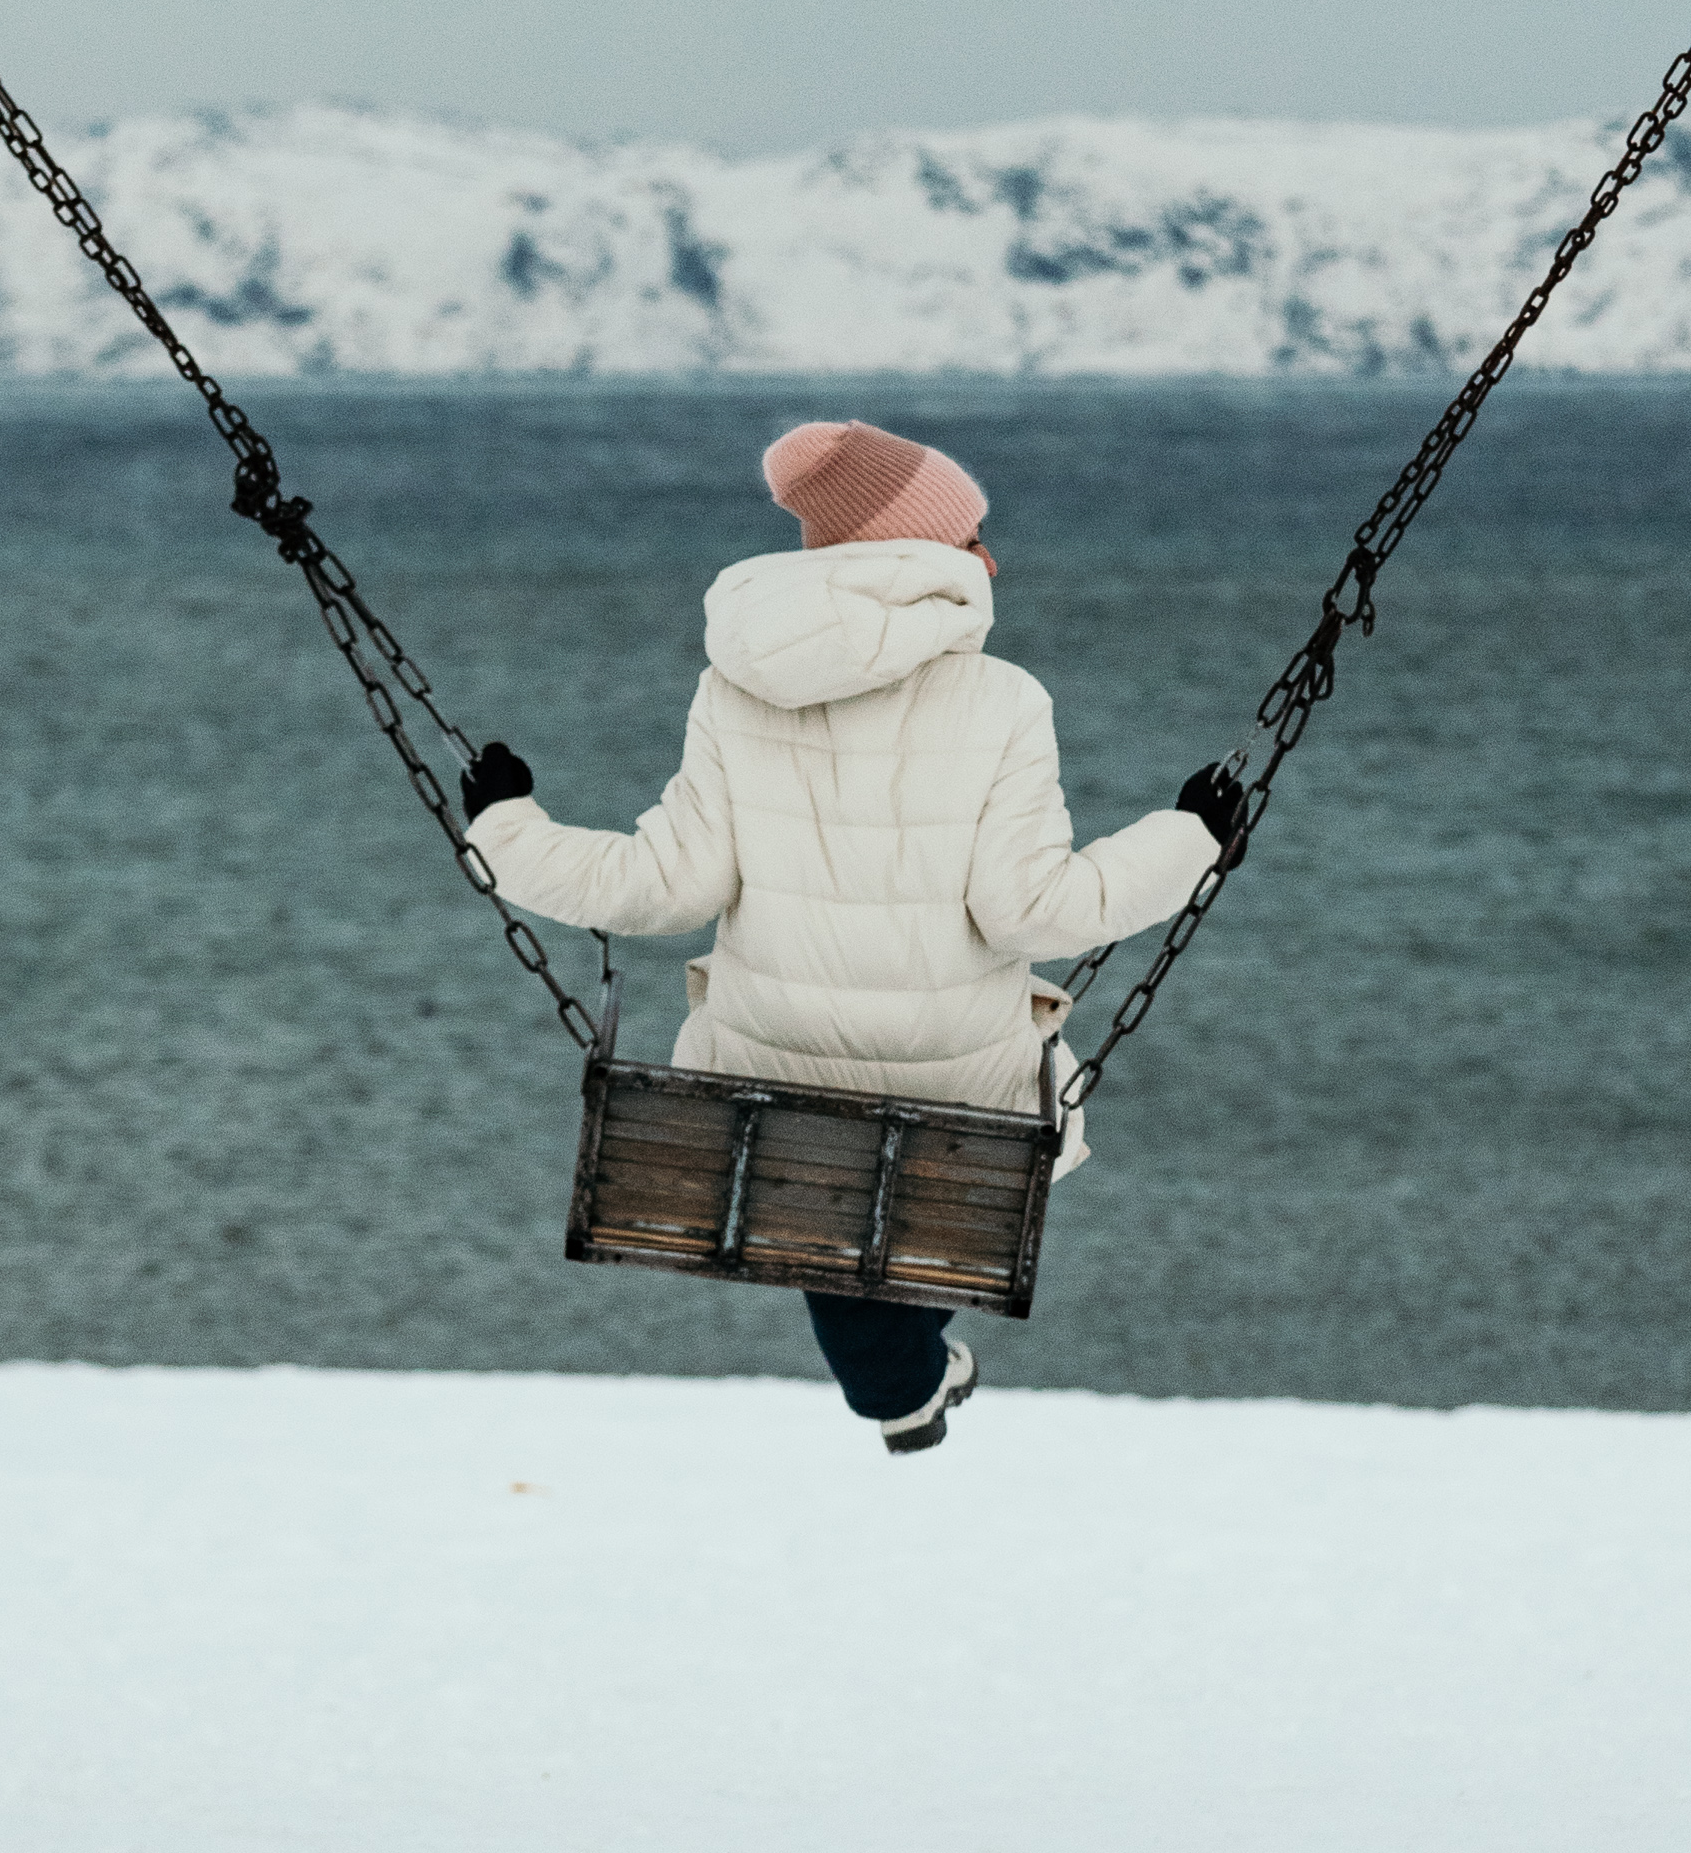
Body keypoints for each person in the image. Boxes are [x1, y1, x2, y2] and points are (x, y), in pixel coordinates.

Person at [459, 417, 1242, 1454]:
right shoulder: (1001, 698)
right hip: (955, 1077)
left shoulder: (734, 687)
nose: (986, 552)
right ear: (928, 556)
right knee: (925, 1203)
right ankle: (898, 1393)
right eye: (972, 533)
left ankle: (904, 1389)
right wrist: (1190, 838)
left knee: (825, 1194)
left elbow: (661, 886)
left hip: (763, 1062)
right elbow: (1032, 913)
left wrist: (504, 825)